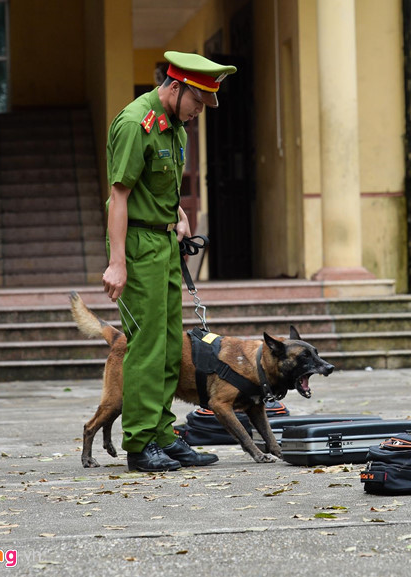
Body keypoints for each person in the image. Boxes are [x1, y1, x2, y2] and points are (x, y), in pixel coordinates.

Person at [102, 51, 236, 472]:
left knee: (167, 347)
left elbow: (159, 186)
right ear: (175, 88)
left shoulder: (175, 126)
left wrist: (178, 215)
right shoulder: (135, 124)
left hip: (164, 243)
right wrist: (117, 262)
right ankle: (140, 443)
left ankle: (163, 435)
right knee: (144, 347)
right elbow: (119, 196)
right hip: (138, 245)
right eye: (197, 101)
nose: (199, 111)